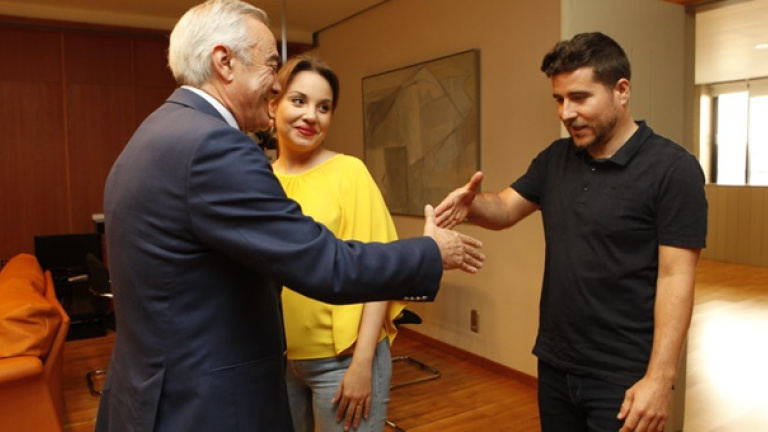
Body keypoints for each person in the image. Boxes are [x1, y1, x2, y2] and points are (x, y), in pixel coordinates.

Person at [95, 1, 484, 431]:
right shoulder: (215, 147)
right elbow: (324, 264)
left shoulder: (154, 132)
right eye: (270, 65)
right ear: (224, 62)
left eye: (323, 106)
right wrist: (430, 251)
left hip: (153, 394)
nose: (277, 87)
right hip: (205, 404)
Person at [435, 32, 707, 432]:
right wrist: (471, 204)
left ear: (621, 90)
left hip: (625, 373)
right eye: (559, 100)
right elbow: (505, 209)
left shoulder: (673, 169)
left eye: (579, 97)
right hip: (557, 362)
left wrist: (660, 378)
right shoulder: (556, 158)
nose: (566, 112)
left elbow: (676, 278)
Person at [269, 54, 406, 432]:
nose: (311, 116)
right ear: (273, 104)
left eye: (323, 107)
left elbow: (381, 271)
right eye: (299, 101)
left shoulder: (349, 172)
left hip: (343, 360)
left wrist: (363, 364)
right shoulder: (259, 179)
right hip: (278, 360)